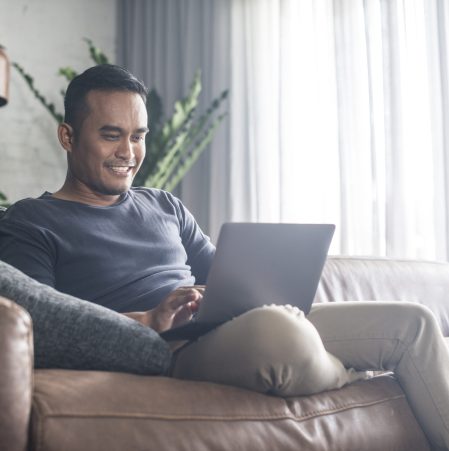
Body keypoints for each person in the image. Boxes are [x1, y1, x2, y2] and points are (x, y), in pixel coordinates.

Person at [0, 64, 448, 449]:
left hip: (233, 330)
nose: (128, 153)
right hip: (169, 349)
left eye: (138, 136)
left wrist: (264, 289)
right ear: (67, 135)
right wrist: (148, 318)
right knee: (281, 333)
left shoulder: (164, 205)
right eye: (111, 135)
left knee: (413, 322)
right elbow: (42, 327)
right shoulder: (31, 222)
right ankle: (348, 373)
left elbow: (229, 281)